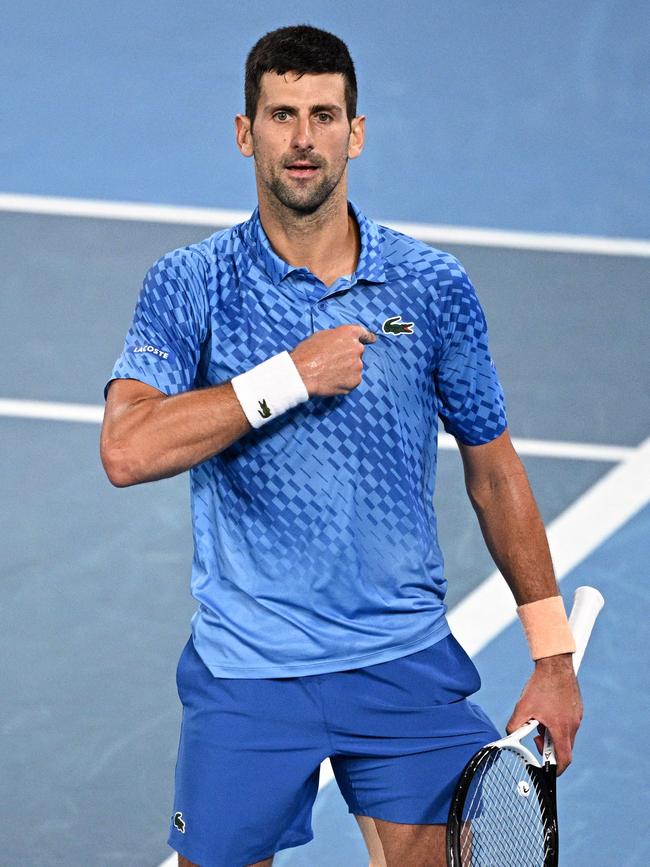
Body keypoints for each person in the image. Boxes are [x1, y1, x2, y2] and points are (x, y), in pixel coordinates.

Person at [100, 24, 582, 867]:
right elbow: (127, 449)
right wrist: (284, 376)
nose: (303, 137)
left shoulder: (432, 286)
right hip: (250, 669)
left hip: (401, 661)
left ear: (355, 132)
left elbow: (494, 470)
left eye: (324, 115)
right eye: (281, 115)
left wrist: (553, 656)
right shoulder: (191, 282)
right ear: (245, 132)